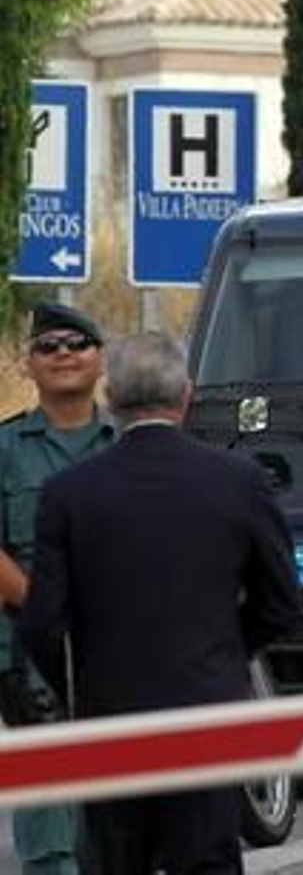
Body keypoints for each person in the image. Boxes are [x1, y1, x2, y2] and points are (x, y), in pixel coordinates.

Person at [18, 333, 302, 874]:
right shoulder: (239, 482)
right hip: (207, 713)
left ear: (110, 397)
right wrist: (225, 654)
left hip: (111, 720)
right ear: (186, 394)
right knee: (206, 861)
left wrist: (80, 686)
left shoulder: (69, 492)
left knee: (116, 862)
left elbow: (41, 623)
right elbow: (282, 603)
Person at [0, 303, 114, 875]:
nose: (63, 354)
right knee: (48, 823)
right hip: (29, 652)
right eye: (48, 346)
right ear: (29, 364)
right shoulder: (5, 449)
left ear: (101, 359)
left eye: (77, 343)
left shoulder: (130, 443)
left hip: (122, 645)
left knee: (115, 814)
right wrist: (49, 607)